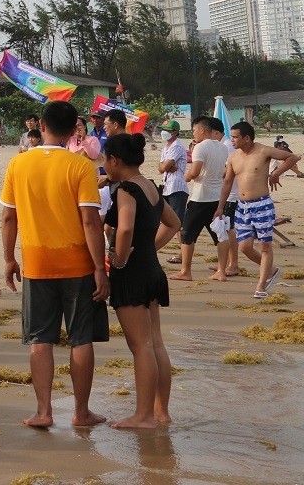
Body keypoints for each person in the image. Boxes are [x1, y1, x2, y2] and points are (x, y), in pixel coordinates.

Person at [0, 99, 109, 430]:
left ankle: (44, 411)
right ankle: (81, 412)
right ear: (73, 130)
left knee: (40, 338)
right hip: (77, 264)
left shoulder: (18, 164)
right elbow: (90, 221)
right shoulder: (80, 166)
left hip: (36, 263)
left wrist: (8, 258)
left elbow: (8, 216)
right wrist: (100, 269)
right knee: (81, 338)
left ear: (41, 126)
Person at [101, 132, 178, 430]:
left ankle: (143, 415)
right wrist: (149, 249)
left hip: (132, 273)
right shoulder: (151, 187)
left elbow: (124, 228)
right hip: (152, 271)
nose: (104, 164)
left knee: (141, 346)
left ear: (115, 160)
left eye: (105, 159)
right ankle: (161, 412)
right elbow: (174, 224)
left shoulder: (126, 190)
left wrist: (119, 259)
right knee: (155, 342)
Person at [217, 121, 303, 298]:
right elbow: (227, 182)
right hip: (242, 206)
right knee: (244, 247)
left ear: (246, 138)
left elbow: (293, 157)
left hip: (261, 204)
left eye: (235, 137)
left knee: (265, 245)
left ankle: (261, 285)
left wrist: (276, 173)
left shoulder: (263, 150)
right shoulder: (233, 157)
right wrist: (220, 207)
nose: (232, 140)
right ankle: (271, 270)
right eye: (231, 136)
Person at [172, 117, 234, 282]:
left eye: (194, 130)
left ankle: (185, 271)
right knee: (219, 234)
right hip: (217, 197)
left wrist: (187, 176)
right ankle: (221, 270)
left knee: (187, 235)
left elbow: (195, 171)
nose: (193, 133)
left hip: (200, 197)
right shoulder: (222, 147)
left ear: (201, 130)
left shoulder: (200, 147)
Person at [157, 121, 190, 223]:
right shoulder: (166, 147)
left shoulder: (177, 146)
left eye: (167, 130)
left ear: (175, 133)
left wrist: (166, 167)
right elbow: (161, 168)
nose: (164, 132)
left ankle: (183, 240)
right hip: (168, 186)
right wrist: (166, 167)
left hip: (177, 188)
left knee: (176, 222)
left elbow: (164, 166)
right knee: (168, 221)